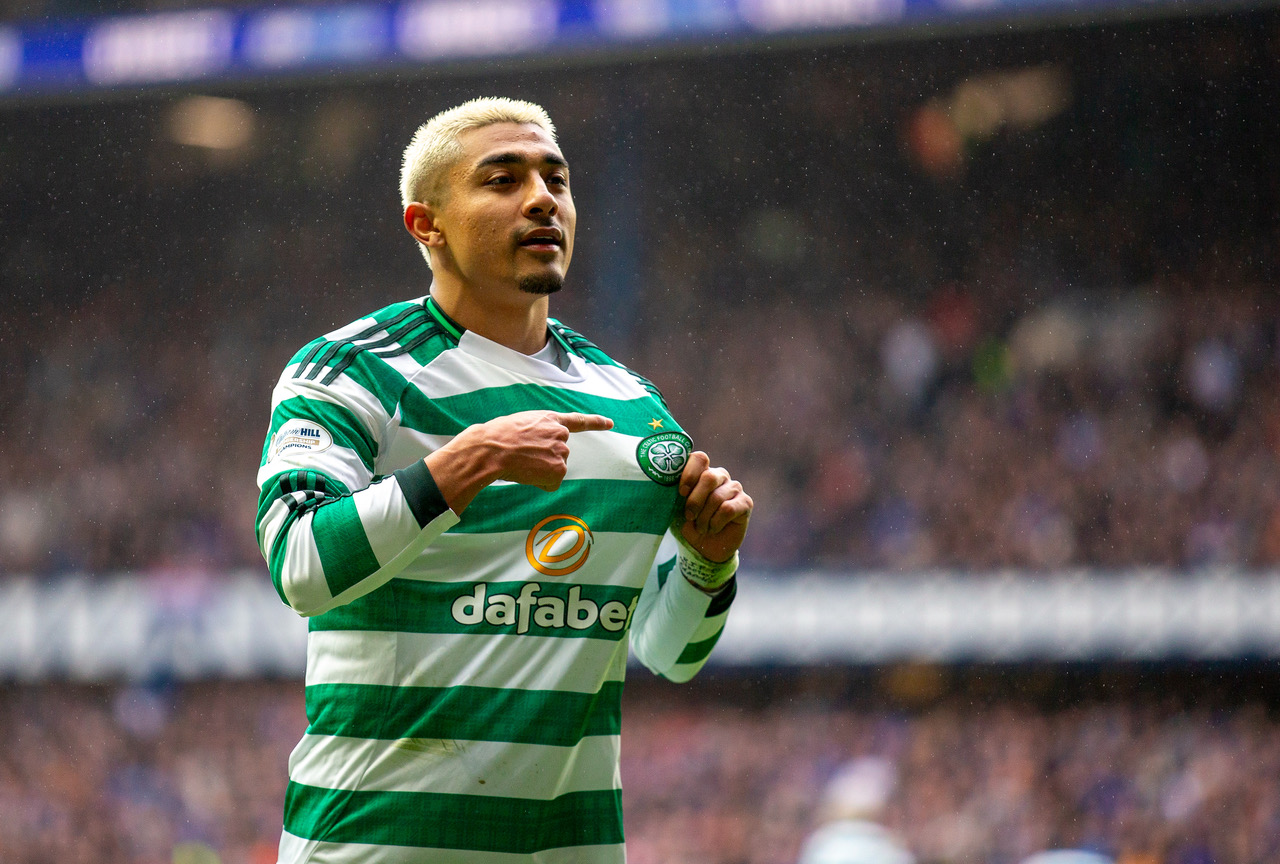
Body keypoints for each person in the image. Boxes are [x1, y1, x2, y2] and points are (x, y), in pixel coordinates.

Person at [254, 97, 753, 863]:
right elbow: (302, 566)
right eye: (502, 179)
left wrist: (707, 561)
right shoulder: (352, 371)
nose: (542, 198)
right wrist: (469, 461)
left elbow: (670, 651)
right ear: (427, 225)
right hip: (373, 846)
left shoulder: (633, 407)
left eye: (556, 178)